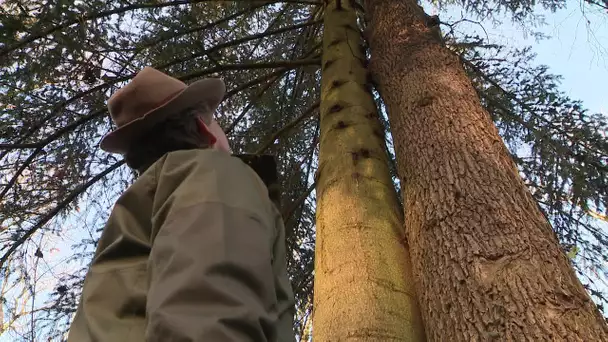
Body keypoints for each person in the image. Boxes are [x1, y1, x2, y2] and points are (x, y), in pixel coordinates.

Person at [67, 67, 296, 341]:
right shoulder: (213, 174)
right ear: (204, 128)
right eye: (217, 120)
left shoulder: (135, 212)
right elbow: (209, 316)